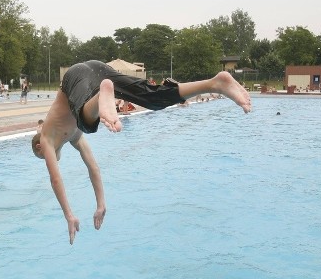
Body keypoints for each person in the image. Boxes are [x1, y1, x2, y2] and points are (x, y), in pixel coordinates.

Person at [32, 60, 251, 244]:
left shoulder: (47, 138)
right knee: (152, 99)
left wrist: (69, 215)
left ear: (40, 148)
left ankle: (102, 96)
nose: (47, 159)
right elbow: (94, 168)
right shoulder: (73, 137)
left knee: (87, 123)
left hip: (75, 75)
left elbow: (55, 179)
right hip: (98, 69)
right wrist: (101, 204)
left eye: (40, 156)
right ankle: (216, 83)